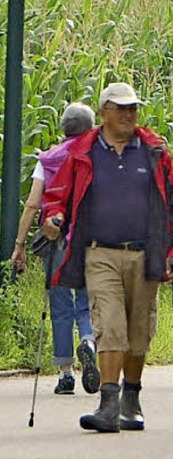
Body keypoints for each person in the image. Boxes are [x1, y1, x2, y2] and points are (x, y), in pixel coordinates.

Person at [41, 82, 173, 433]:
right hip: (99, 252)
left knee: (139, 332)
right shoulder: (83, 152)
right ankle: (108, 404)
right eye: (121, 108)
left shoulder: (154, 152)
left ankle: (131, 398)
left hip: (145, 252)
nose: (128, 115)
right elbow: (57, 194)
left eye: (133, 108)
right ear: (103, 110)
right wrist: (52, 217)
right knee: (108, 326)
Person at [11, 103, 99, 395]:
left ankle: (65, 374)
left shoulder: (47, 159)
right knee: (87, 302)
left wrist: (20, 245)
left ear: (63, 128)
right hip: (89, 239)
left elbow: (33, 203)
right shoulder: (96, 156)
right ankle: (88, 342)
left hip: (56, 238)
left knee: (60, 307)